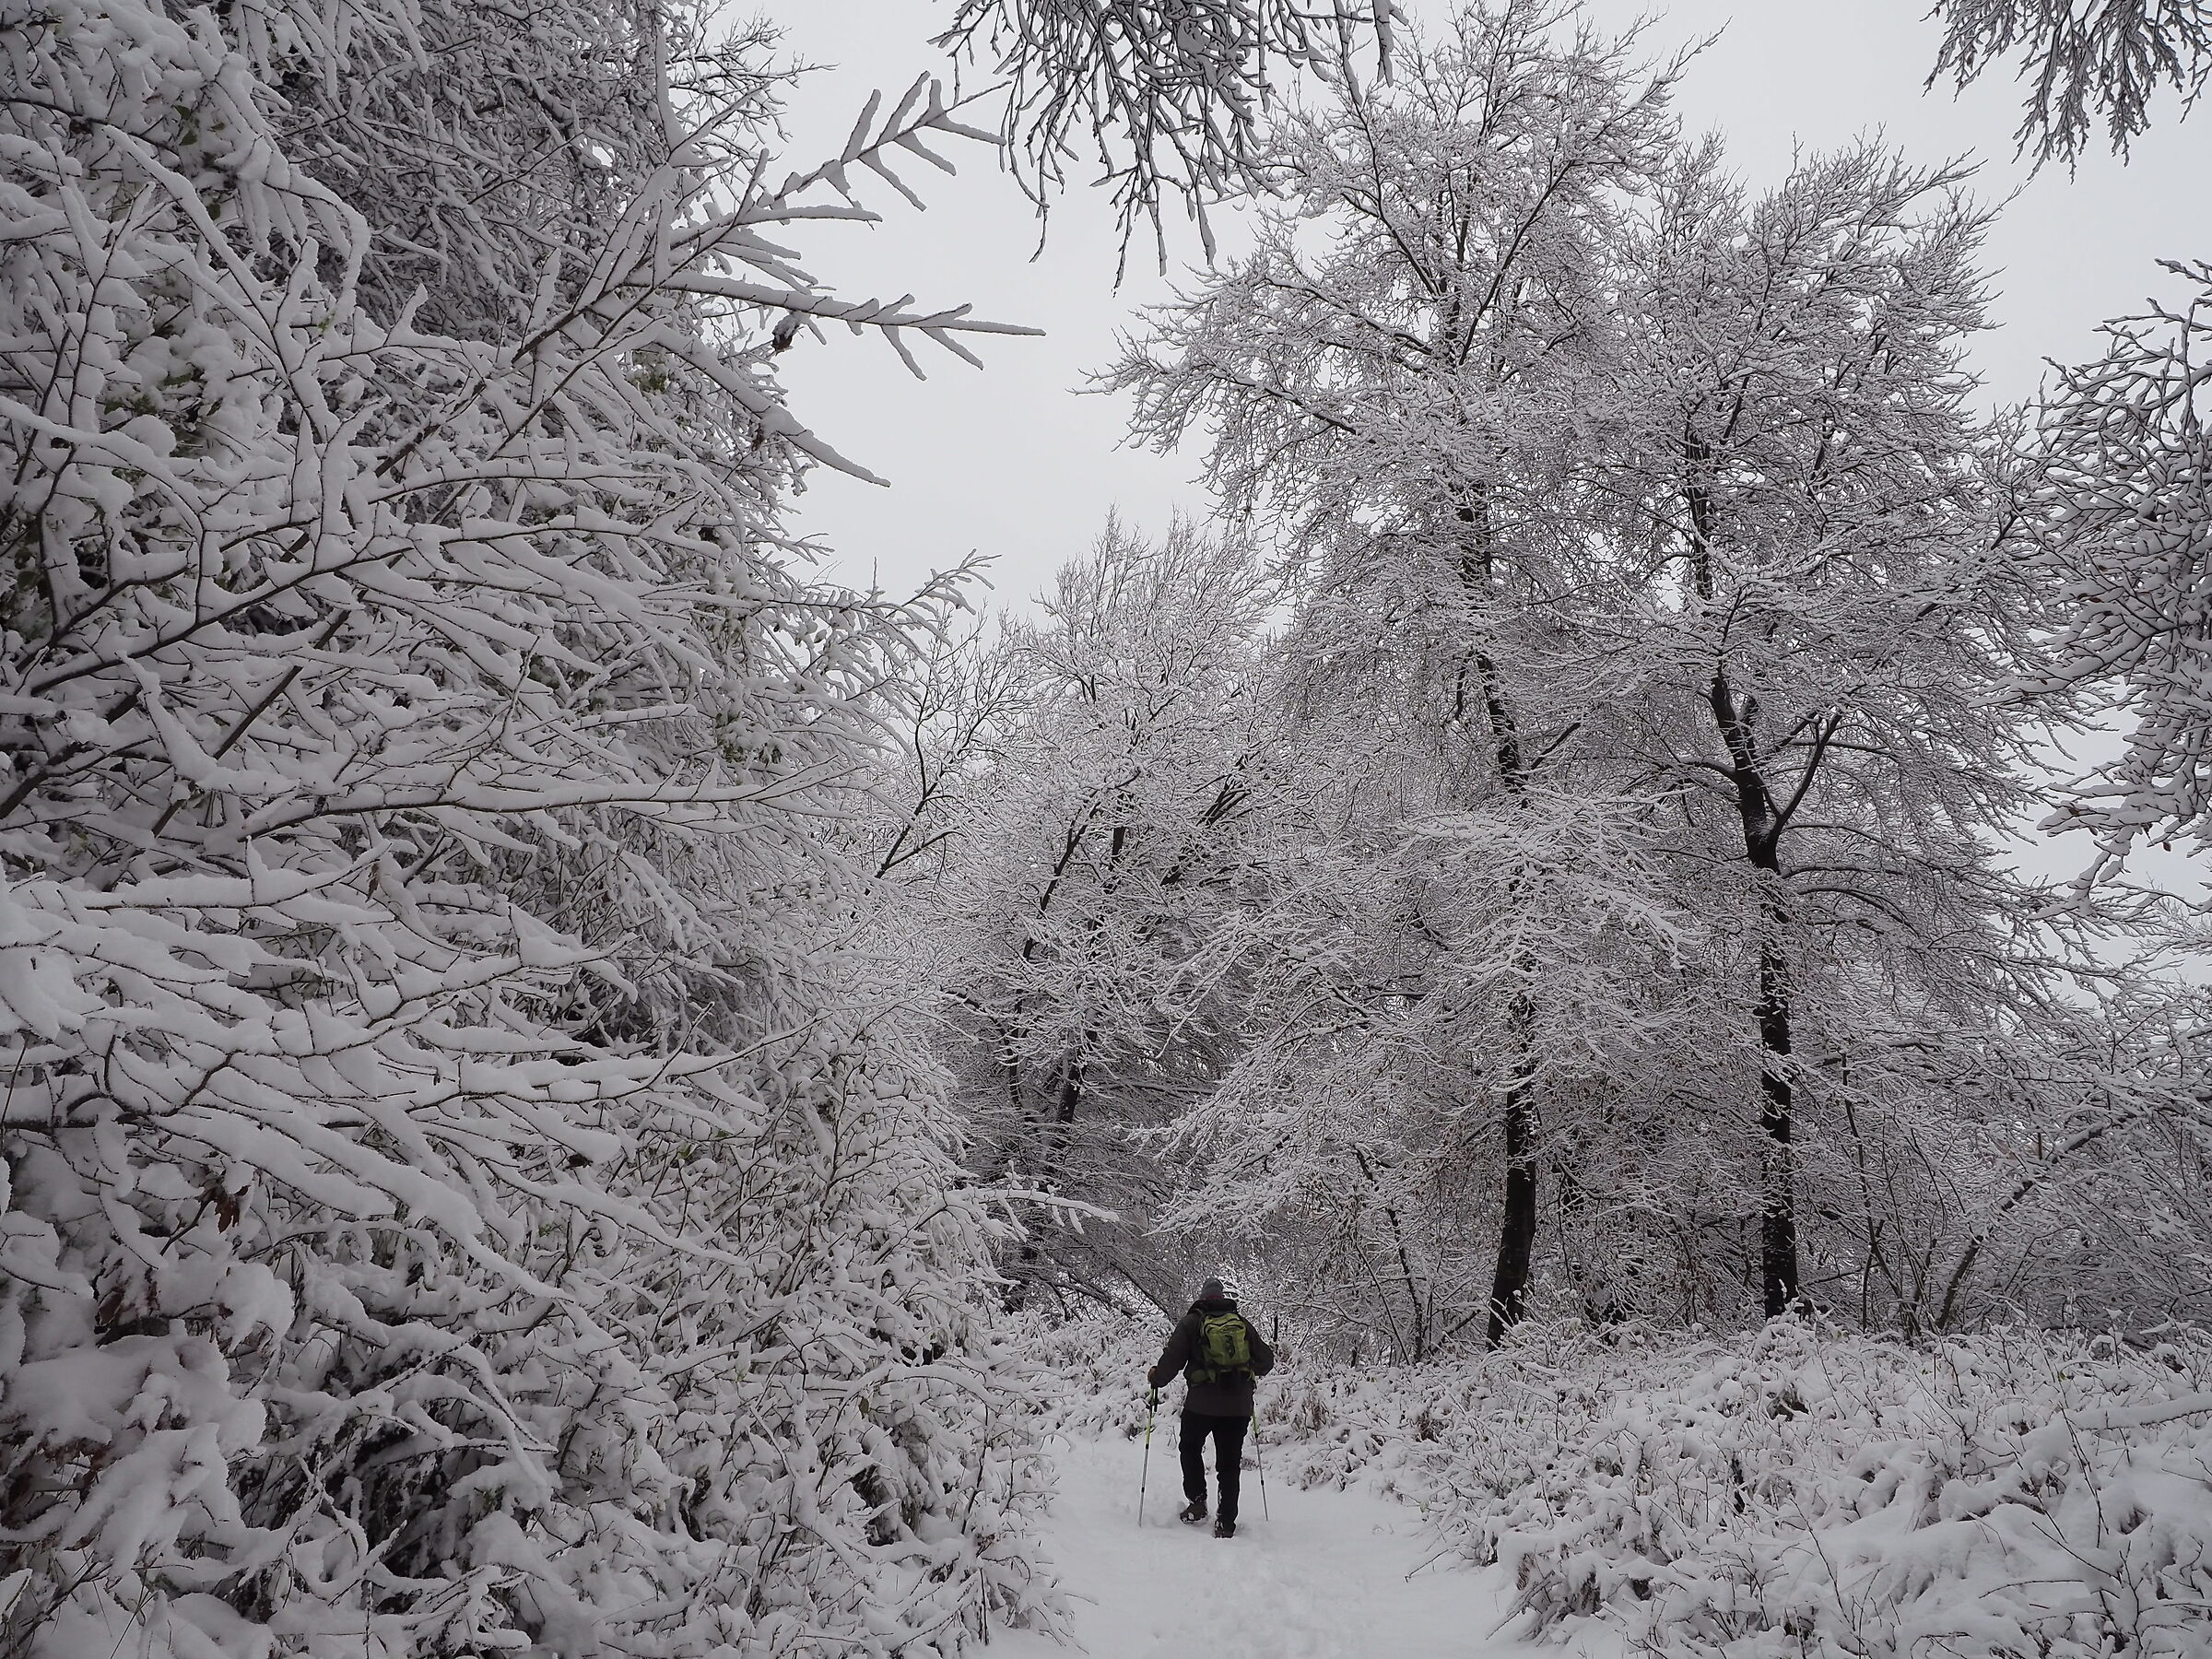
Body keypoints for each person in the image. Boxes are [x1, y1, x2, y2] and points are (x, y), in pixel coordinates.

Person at [1146, 1277, 1275, 1538]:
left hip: (1201, 1404)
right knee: (1229, 1463)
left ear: (1203, 1298)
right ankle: (1226, 1522)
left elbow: (1173, 1359)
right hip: (1238, 1406)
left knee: (1190, 1447)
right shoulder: (1241, 1323)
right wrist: (1241, 1369)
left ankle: (1197, 1502)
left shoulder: (1191, 1322)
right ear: (1222, 1298)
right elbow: (1266, 1362)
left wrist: (1156, 1378)